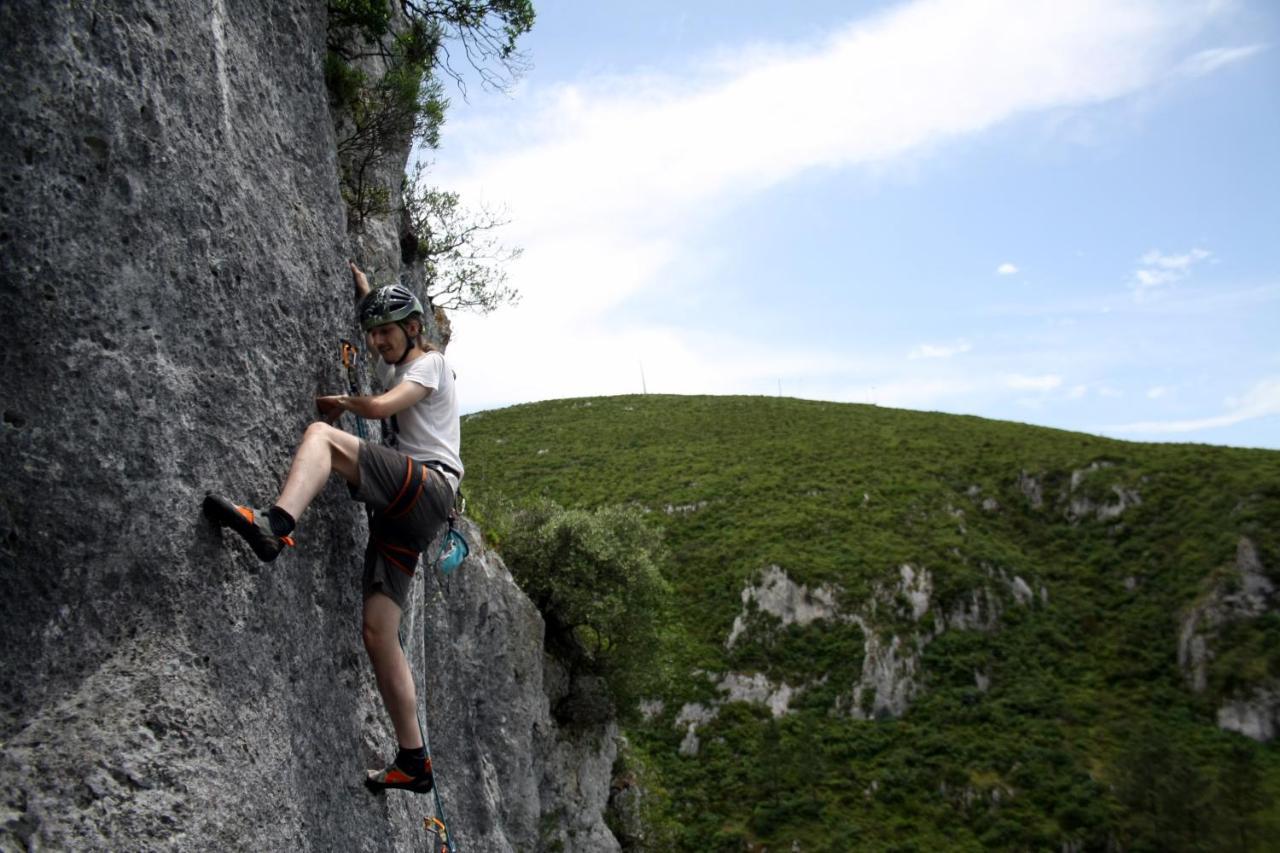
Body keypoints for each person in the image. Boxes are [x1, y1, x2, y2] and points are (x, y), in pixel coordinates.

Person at [203, 260, 463, 795]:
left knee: (322, 435)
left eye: (387, 332)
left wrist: (345, 404)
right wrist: (367, 292)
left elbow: (385, 404)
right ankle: (414, 761)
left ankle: (275, 523)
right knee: (378, 632)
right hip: (407, 510)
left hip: (428, 487)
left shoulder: (431, 365)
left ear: (414, 328)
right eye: (372, 334)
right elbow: (386, 352)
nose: (377, 343)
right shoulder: (400, 359)